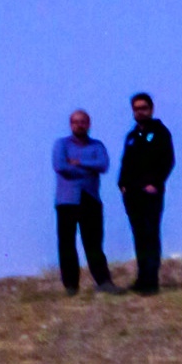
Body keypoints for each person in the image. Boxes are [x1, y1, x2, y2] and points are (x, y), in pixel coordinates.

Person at [52, 109, 118, 295]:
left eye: (83, 121)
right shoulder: (62, 144)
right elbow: (61, 166)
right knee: (67, 244)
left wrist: (78, 163)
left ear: (89, 124)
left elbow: (103, 165)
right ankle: (71, 286)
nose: (79, 125)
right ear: (70, 124)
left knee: (94, 243)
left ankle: (104, 282)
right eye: (75, 121)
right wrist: (88, 168)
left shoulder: (97, 146)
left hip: (90, 199)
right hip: (67, 201)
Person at [118, 91, 175, 295]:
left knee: (151, 235)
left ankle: (152, 281)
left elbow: (168, 160)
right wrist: (122, 184)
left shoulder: (160, 132)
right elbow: (125, 163)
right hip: (132, 194)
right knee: (139, 236)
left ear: (151, 109)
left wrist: (155, 183)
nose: (140, 112)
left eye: (143, 108)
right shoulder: (132, 136)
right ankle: (142, 279)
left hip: (151, 193)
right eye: (136, 109)